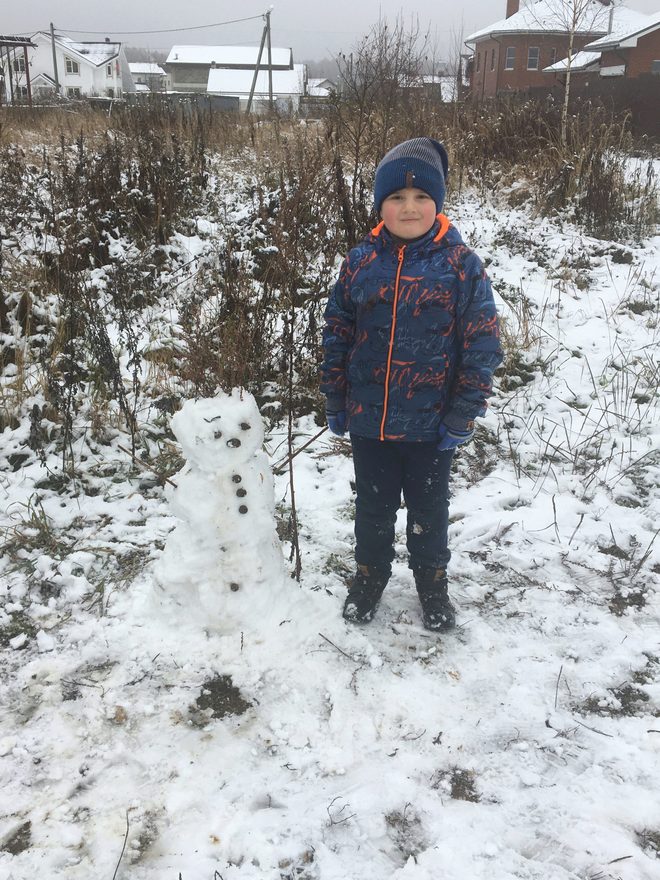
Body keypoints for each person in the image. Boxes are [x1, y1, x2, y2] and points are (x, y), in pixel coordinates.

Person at [320, 137, 503, 631]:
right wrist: (336, 396)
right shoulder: (361, 261)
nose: (410, 208)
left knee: (428, 509)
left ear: (437, 203)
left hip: (432, 425)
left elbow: (483, 345)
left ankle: (432, 582)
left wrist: (464, 411)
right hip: (369, 420)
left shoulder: (460, 266)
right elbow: (337, 330)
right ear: (380, 205)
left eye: (422, 197)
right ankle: (370, 575)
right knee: (373, 507)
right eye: (397, 198)